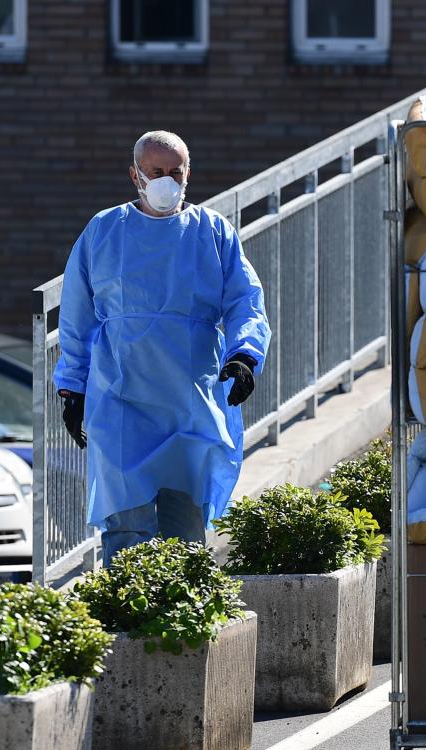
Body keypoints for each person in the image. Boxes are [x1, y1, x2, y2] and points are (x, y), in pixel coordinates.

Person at [54, 130, 271, 563]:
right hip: (121, 397)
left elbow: (246, 301)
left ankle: (182, 624)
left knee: (184, 528)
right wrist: (72, 387)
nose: (166, 181)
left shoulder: (212, 232)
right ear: (135, 174)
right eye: (156, 172)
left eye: (175, 172)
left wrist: (245, 355)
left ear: (188, 174)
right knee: (126, 524)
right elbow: (76, 317)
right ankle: (129, 620)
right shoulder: (104, 231)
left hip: (189, 398)